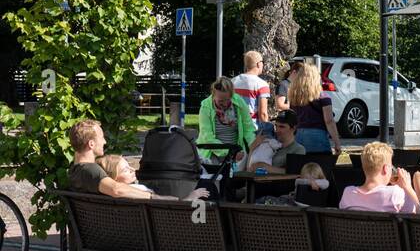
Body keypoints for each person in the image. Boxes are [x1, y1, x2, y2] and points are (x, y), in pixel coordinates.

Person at [66, 119, 205, 200]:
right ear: (91, 144)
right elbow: (117, 190)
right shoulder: (91, 170)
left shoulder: (74, 169)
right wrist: (153, 197)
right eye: (101, 137)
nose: (104, 141)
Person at [338, 142, 419, 213]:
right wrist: (408, 188)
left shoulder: (348, 193)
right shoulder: (395, 194)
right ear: (386, 169)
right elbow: (419, 213)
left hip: (354, 230)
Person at [197, 76, 258, 168]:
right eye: (221, 101)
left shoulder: (239, 102)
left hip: (236, 154)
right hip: (212, 154)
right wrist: (229, 152)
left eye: (228, 99)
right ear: (213, 95)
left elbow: (248, 129)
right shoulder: (205, 107)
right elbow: (207, 137)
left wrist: (253, 147)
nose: (225, 104)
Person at [288, 61, 342, 155]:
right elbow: (329, 121)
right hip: (318, 135)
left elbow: (293, 119)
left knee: (299, 167)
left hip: (298, 135)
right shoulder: (323, 97)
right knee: (320, 166)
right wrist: (337, 142)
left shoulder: (293, 96)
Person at [231, 50, 271, 132]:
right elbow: (263, 114)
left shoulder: (232, 81)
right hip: (252, 129)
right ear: (258, 64)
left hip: (233, 127)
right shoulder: (262, 85)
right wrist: (266, 132)